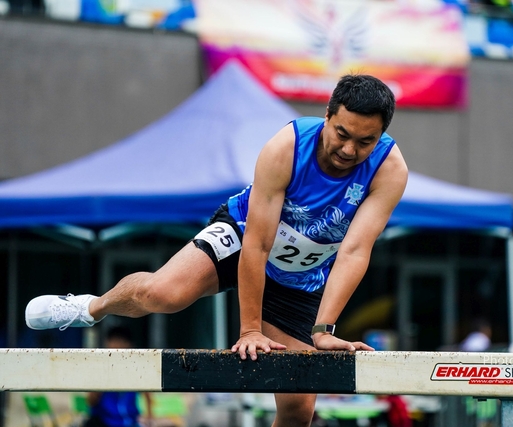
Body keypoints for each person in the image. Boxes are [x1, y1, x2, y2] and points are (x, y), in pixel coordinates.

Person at [25, 73, 409, 427]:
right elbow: (258, 244)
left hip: (299, 278)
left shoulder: (389, 170)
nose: (348, 149)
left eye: (365, 142)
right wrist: (250, 330)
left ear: (381, 136)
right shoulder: (287, 148)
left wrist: (323, 330)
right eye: (342, 134)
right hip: (243, 236)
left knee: (299, 407)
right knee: (163, 293)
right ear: (327, 115)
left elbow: (354, 251)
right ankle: (90, 307)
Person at [84, 326, 153, 427]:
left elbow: (147, 396)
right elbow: (90, 401)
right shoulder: (100, 368)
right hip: (104, 421)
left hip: (130, 421)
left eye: (121, 341)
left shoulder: (136, 369)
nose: (117, 346)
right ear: (107, 343)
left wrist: (149, 417)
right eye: (114, 341)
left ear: (129, 345)